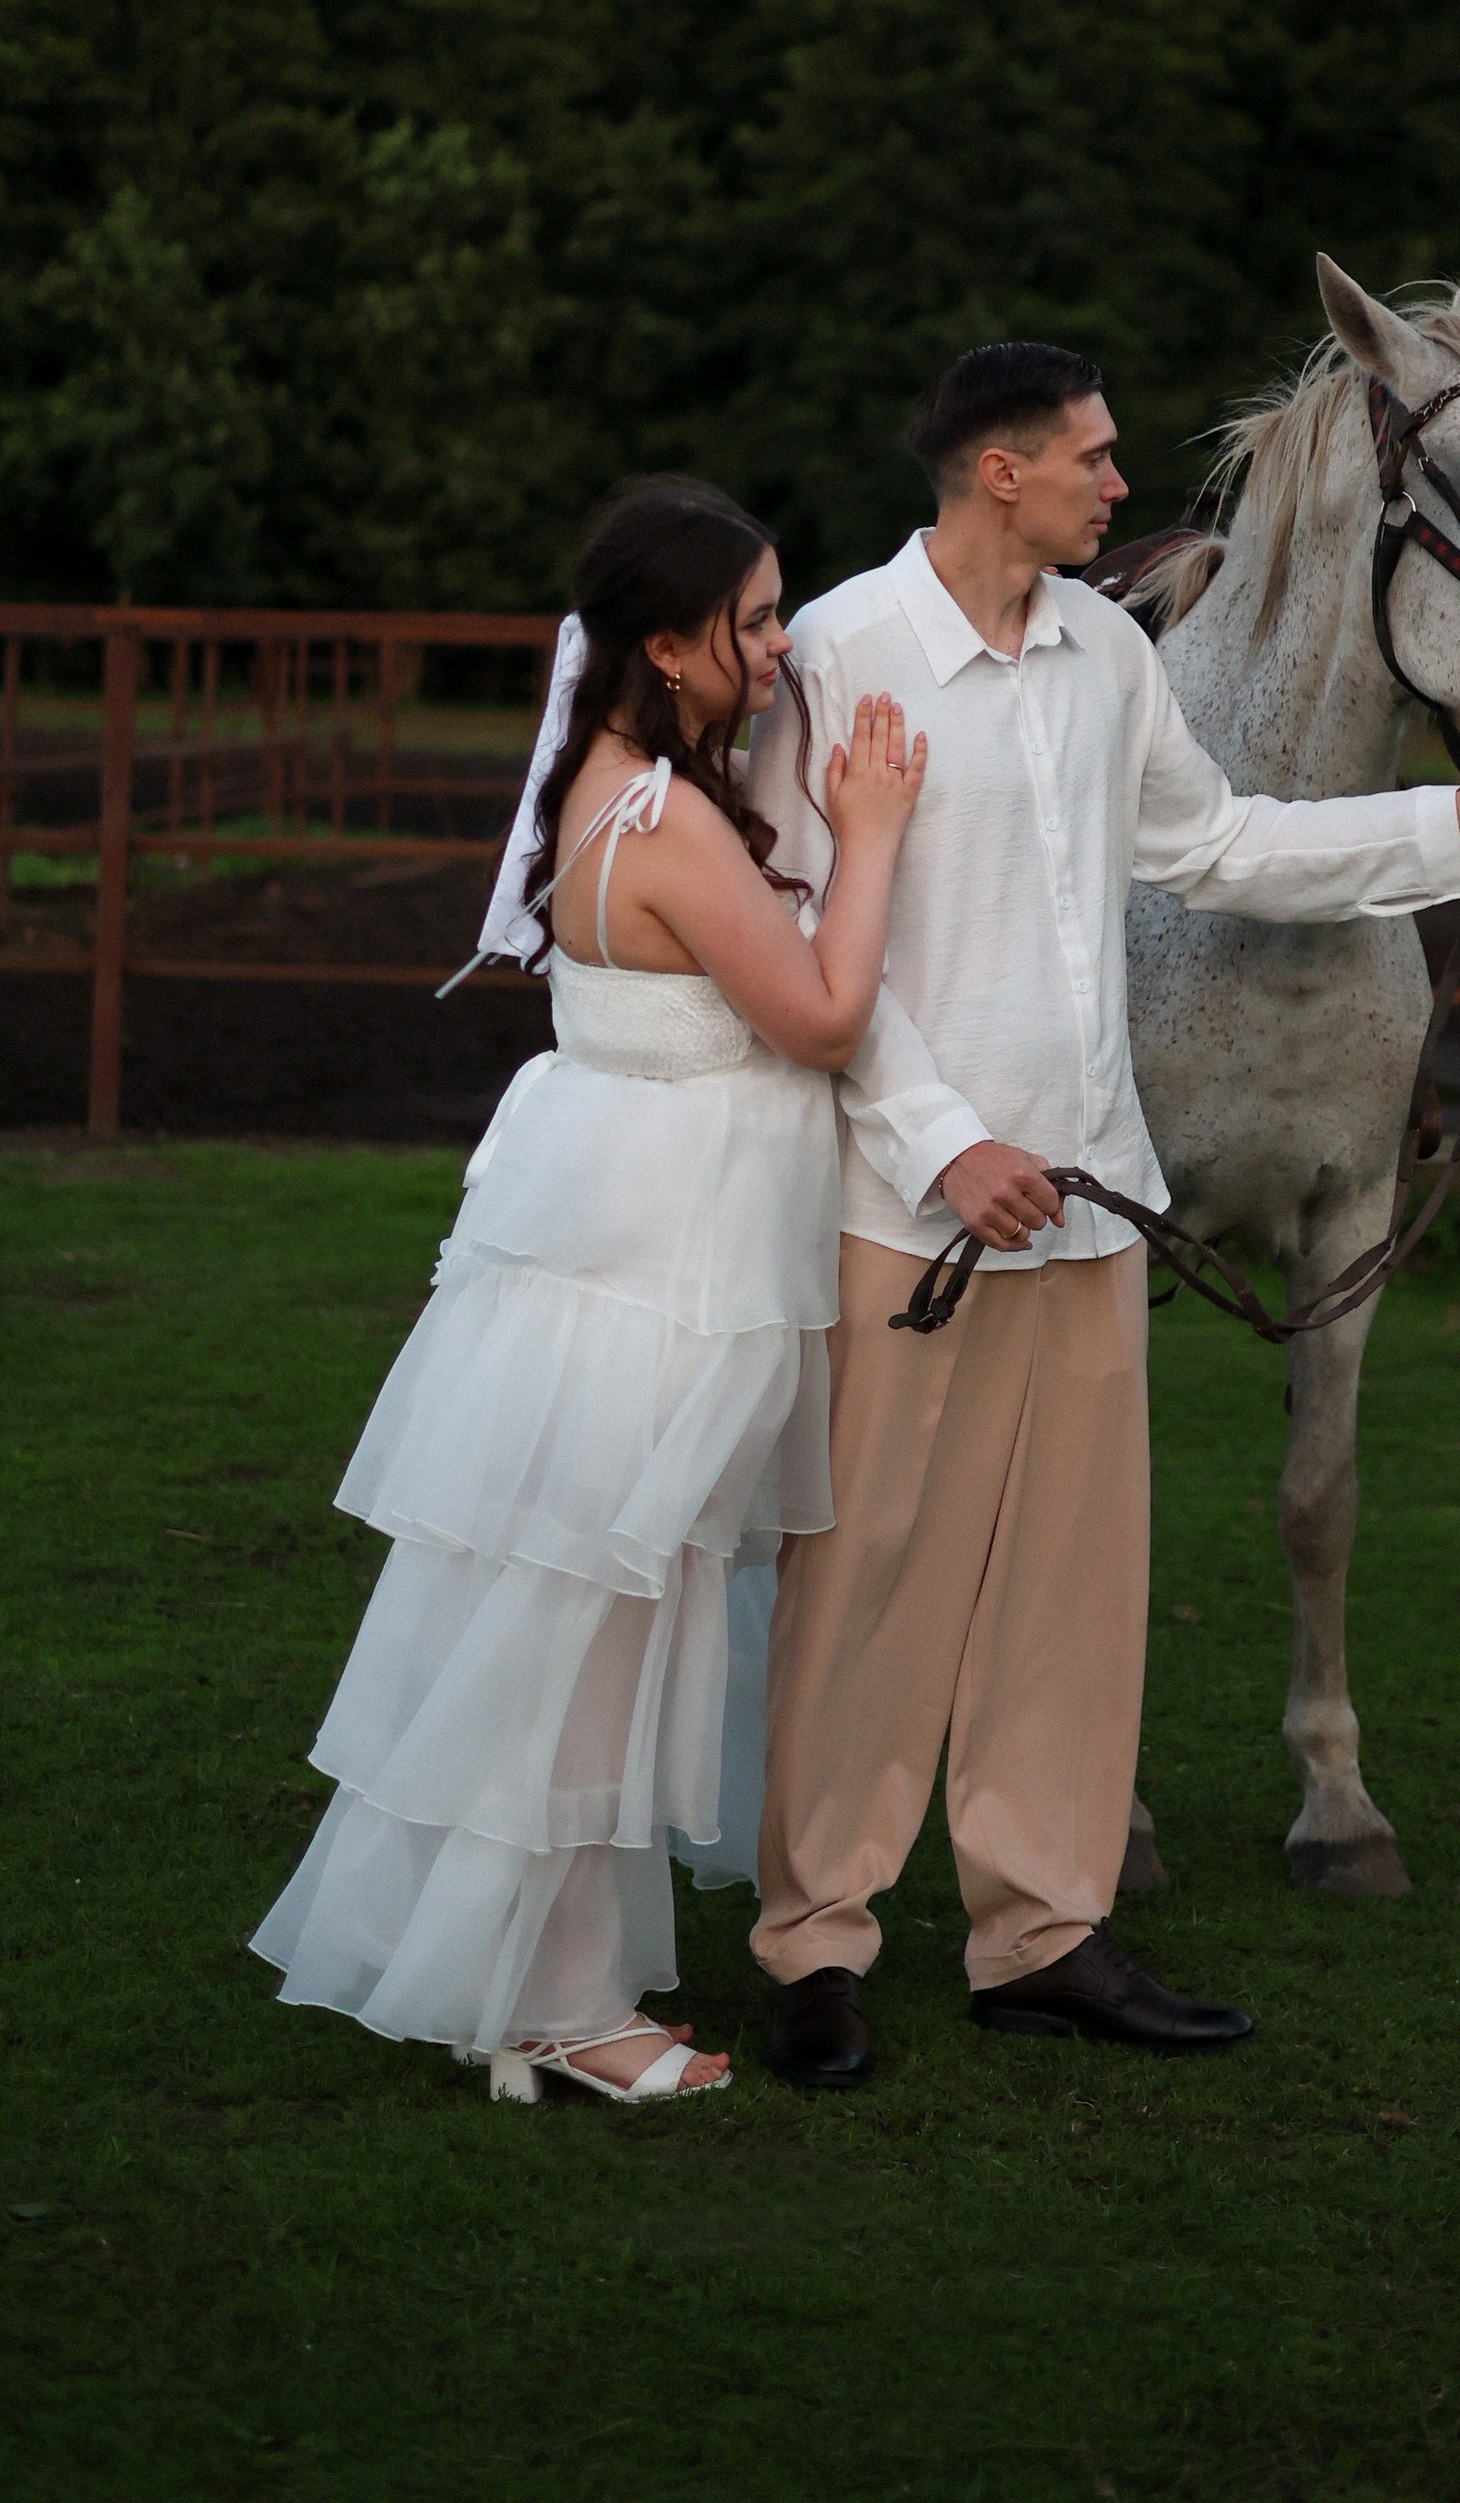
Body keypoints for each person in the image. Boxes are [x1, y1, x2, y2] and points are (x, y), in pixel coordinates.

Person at [744, 345, 1460, 2087]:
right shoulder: (837, 653)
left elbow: (1223, 848)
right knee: (869, 1582)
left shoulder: (1107, 653)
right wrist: (947, 1139)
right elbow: (818, 947)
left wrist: (1449, 817)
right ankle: (816, 1942)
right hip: (916, 1212)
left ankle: (1039, 1932)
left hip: (1094, 1211)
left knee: (1068, 1597)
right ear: (998, 473)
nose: (1122, 489)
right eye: (1095, 461)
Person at [252, 479, 926, 2107]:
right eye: (753, 624)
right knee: (596, 1639)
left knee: (583, 1624)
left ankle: (537, 1981)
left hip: (620, 1247)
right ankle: (558, 2013)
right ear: (664, 647)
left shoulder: (615, 787)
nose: (776, 651)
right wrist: (880, 835)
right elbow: (826, 1020)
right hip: (657, 1274)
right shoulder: (667, 824)